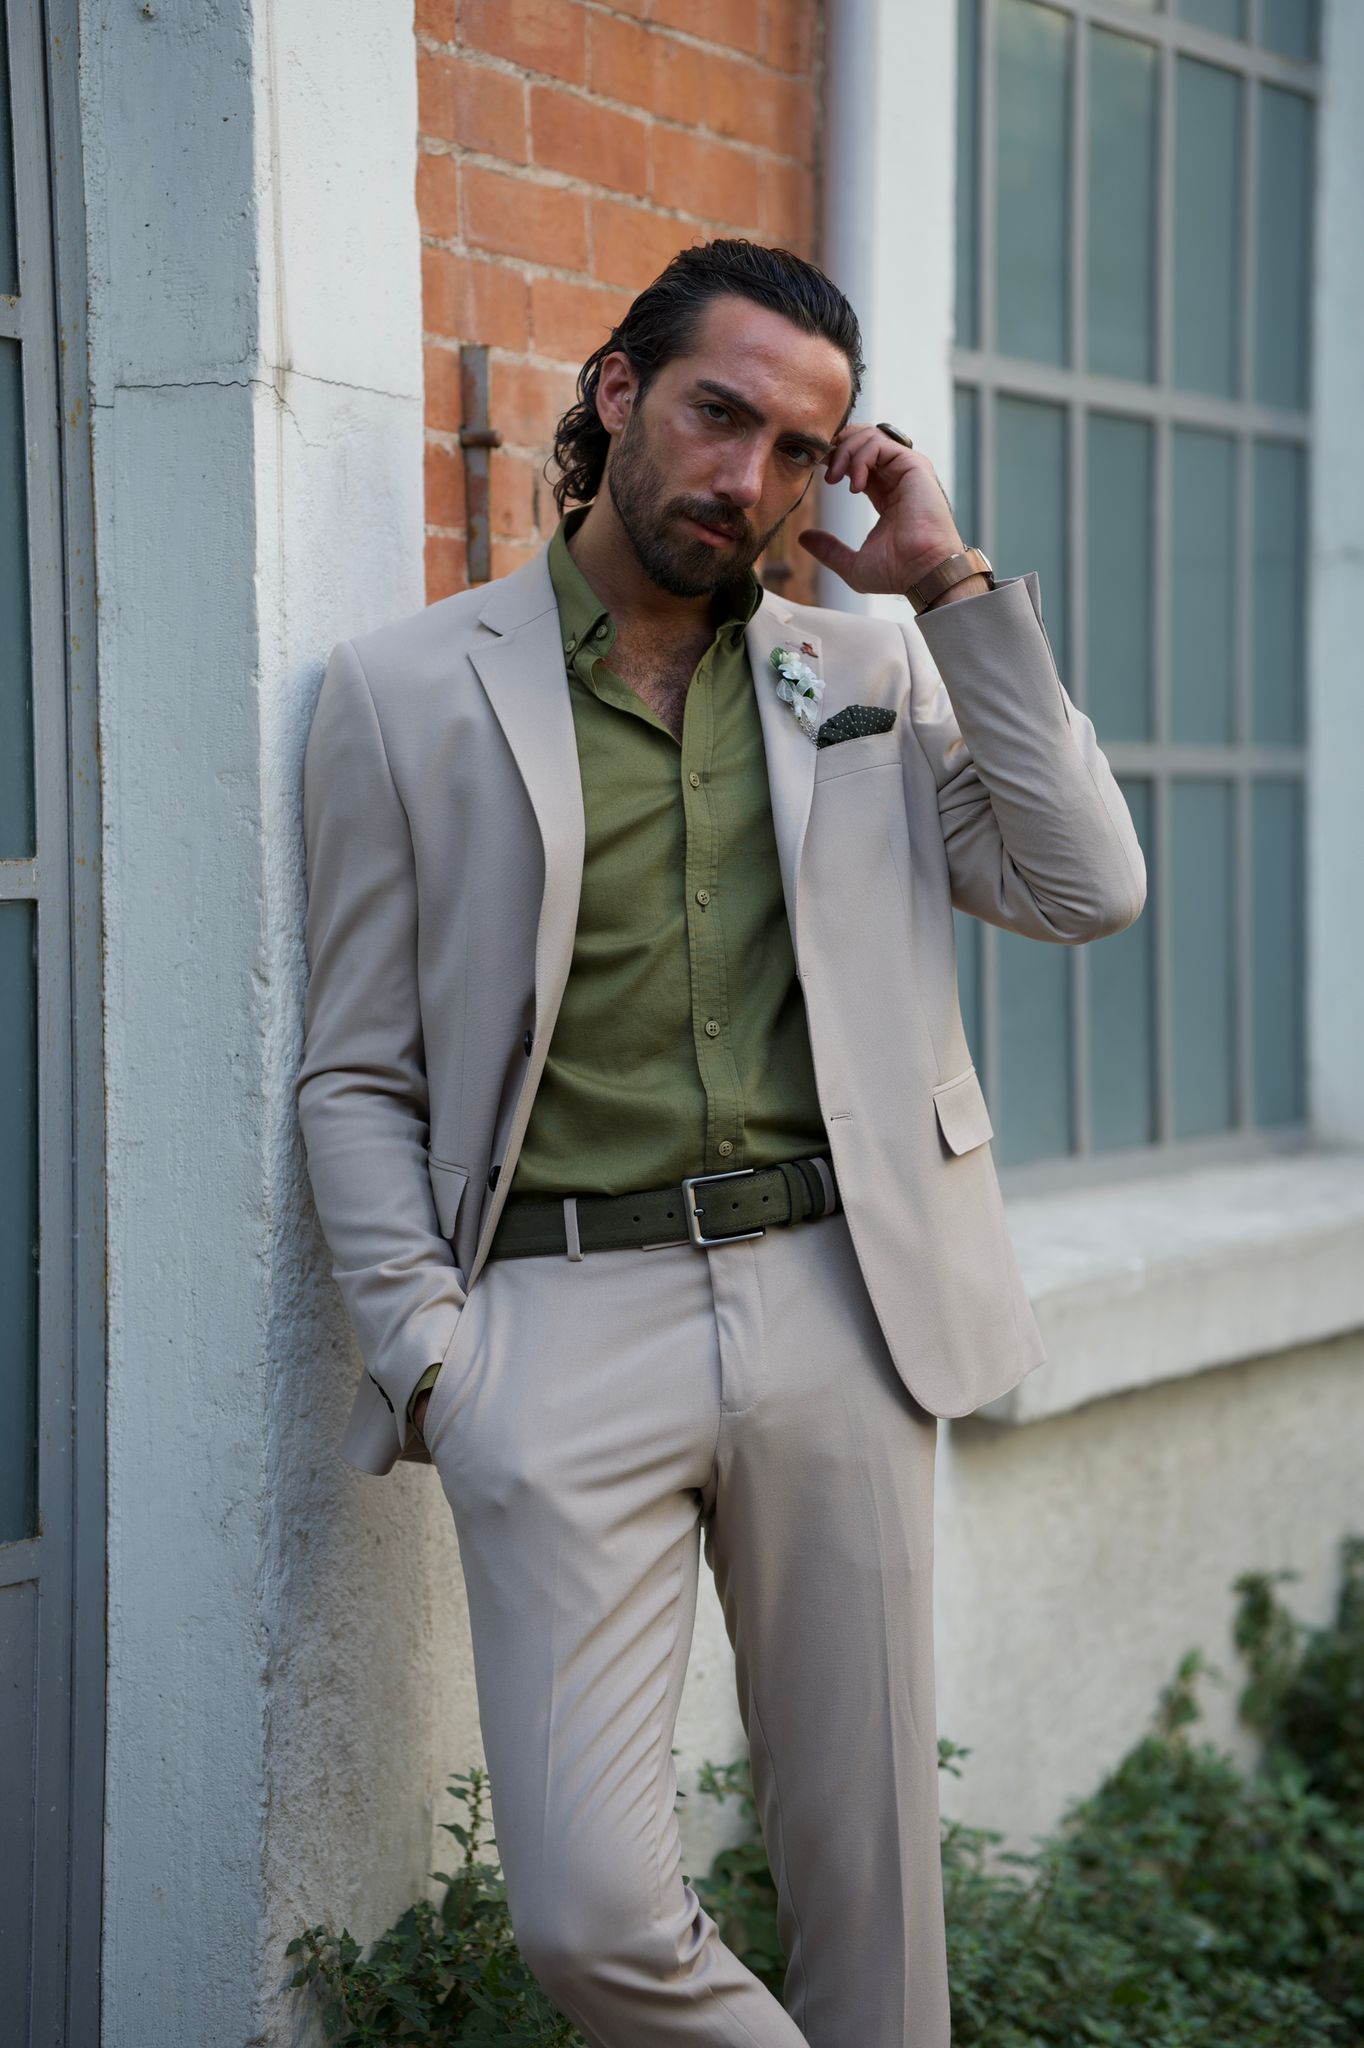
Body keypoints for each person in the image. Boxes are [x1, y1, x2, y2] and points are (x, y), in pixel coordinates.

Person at [295, 237, 1146, 2046]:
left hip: (843, 1297)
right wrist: (433, 1356)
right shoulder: (406, 690)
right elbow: (356, 1070)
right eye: (717, 415)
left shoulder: (868, 667)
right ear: (621, 393)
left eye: (795, 451)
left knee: (872, 1890)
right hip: (553, 1322)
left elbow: (1085, 888)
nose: (744, 480)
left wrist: (954, 590)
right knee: (596, 1914)